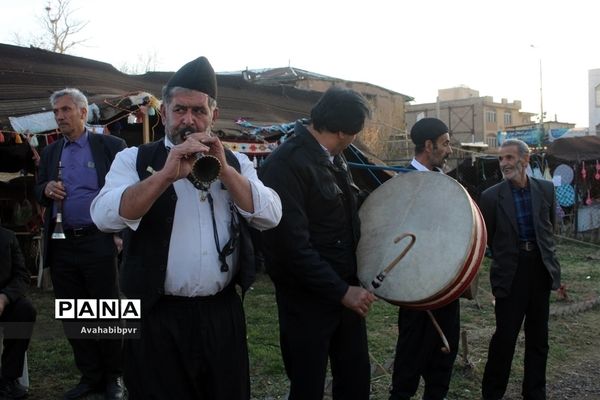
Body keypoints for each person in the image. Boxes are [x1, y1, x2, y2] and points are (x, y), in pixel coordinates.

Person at [90, 56, 282, 400]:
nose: (188, 120)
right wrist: (164, 176)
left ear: (214, 116)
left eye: (198, 111)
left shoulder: (236, 162)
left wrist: (225, 170)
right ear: (164, 113)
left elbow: (270, 215)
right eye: (180, 110)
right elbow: (104, 216)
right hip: (155, 314)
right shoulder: (134, 159)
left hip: (221, 313)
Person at [259, 87, 377, 400]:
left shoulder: (336, 159)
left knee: (355, 382)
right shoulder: (284, 165)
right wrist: (341, 291)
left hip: (346, 294)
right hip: (307, 302)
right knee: (307, 386)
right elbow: (290, 247)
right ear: (343, 131)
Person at [34, 88, 126, 400]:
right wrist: (45, 188)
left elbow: (128, 191)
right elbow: (35, 191)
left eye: (65, 110)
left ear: (83, 113)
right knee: (73, 313)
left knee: (107, 311)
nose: (59, 116)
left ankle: (114, 377)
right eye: (56, 112)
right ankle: (90, 376)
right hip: (62, 245)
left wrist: (120, 234)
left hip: (98, 240)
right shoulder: (49, 152)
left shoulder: (110, 146)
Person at [479, 139, 561, 400]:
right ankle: (492, 393)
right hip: (510, 273)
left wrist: (552, 266)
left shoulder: (546, 190)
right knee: (505, 338)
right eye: (501, 158)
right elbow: (487, 238)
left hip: (539, 269)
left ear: (524, 161)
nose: (504, 163)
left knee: (539, 338)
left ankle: (535, 393)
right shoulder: (491, 197)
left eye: (509, 158)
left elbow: (549, 230)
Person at [389, 117, 459, 400]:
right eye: (445, 143)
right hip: (416, 292)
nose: (449, 150)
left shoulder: (447, 182)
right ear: (428, 145)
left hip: (448, 288)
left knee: (442, 367)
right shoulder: (399, 184)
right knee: (408, 370)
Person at [0, 227, 36, 399]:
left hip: (3, 301)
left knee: (24, 311)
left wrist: (4, 297)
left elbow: (22, 276)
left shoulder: (8, 237)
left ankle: (8, 378)